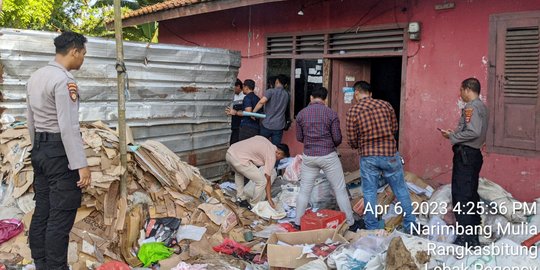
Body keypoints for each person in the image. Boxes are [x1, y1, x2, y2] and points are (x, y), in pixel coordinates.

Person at [26, 31, 91, 270]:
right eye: (83, 54)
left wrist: (37, 150)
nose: (83, 59)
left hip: (40, 151)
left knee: (43, 209)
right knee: (61, 215)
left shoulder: (35, 77)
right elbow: (68, 127)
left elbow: (30, 121)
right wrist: (80, 165)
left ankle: (40, 263)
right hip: (59, 153)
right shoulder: (64, 81)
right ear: (74, 51)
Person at [345, 81, 416, 233]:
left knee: (369, 192)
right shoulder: (386, 105)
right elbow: (394, 128)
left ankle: (371, 227)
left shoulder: (354, 111)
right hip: (390, 154)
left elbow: (351, 139)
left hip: (369, 156)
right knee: (400, 189)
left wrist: (362, 144)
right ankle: (410, 224)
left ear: (356, 93)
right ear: (370, 93)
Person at [294, 87, 361, 231]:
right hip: (328, 155)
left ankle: (297, 222)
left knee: (304, 191)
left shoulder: (301, 114)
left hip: (309, 156)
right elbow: (337, 138)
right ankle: (350, 222)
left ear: (311, 97)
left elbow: (299, 137)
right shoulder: (331, 114)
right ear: (325, 99)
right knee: (340, 190)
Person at [440, 77, 488, 247]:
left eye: (461, 90)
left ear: (467, 89)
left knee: (462, 196)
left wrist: (452, 136)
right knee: (471, 195)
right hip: (474, 155)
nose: (460, 94)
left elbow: (473, 131)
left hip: (466, 156)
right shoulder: (482, 107)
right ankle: (472, 235)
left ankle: (466, 238)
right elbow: (473, 130)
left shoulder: (471, 107)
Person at [225, 136, 289, 208]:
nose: (279, 159)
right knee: (262, 182)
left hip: (229, 153)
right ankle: (254, 205)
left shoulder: (265, 141)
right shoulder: (272, 155)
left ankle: (240, 197)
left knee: (239, 173)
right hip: (240, 159)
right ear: (279, 153)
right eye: (282, 158)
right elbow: (267, 179)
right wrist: (269, 199)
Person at [252, 74, 289, 145]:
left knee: (261, 145)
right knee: (275, 148)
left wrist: (253, 112)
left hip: (267, 124)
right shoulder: (286, 94)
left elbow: (262, 102)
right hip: (279, 126)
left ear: (277, 81)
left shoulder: (270, 91)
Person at [228, 79, 245, 145]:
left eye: (233, 87)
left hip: (241, 125)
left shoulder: (245, 97)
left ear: (238, 86)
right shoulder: (232, 96)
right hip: (233, 124)